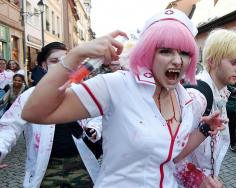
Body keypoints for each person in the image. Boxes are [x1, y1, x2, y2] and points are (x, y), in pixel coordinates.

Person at [21, 9, 224, 188]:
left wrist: (204, 130)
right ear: (148, 53)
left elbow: (172, 156)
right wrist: (75, 55)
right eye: (165, 51)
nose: (178, 60)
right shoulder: (117, 86)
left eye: (185, 53)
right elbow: (35, 112)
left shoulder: (184, 100)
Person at [0, 42, 102, 188]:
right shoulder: (30, 96)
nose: (61, 65)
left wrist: (94, 128)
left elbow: (98, 117)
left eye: (66, 60)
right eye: (54, 61)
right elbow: (9, 126)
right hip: (45, 170)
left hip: (81, 165)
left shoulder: (82, 92)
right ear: (43, 65)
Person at [186, 28, 236, 175]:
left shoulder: (221, 91)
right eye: (234, 62)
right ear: (212, 61)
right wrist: (196, 180)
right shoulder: (196, 97)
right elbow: (172, 154)